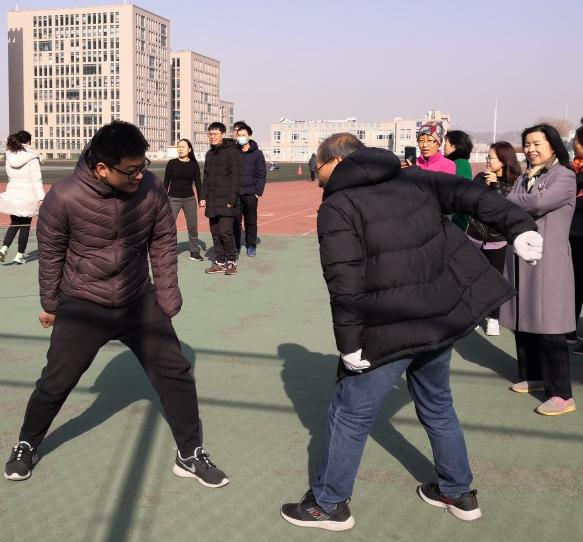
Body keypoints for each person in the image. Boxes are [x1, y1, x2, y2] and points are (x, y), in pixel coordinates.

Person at [280, 133, 542, 531]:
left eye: (318, 170)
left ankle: (329, 504)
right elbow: (472, 196)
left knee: (349, 414)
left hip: (388, 331)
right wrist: (519, 226)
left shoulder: (339, 204)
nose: (318, 179)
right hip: (438, 317)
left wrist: (349, 344)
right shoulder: (413, 177)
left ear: (337, 160)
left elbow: (343, 280)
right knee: (437, 404)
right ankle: (458, 491)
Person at [4, 121, 229, 488]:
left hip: (137, 299)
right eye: (131, 170)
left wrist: (166, 297)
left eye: (143, 166)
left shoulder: (150, 189)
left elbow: (162, 240)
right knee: (56, 380)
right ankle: (27, 443)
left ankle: (189, 453)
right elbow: (51, 255)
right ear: (102, 168)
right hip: (83, 301)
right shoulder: (64, 196)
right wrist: (51, 304)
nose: (140, 175)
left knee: (175, 372)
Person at [500, 124, 577, 416]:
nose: (530, 149)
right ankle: (533, 375)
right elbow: (524, 203)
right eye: (527, 144)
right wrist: (517, 199)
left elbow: (539, 202)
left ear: (553, 145)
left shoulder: (564, 175)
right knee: (524, 318)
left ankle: (562, 394)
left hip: (549, 258)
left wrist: (511, 198)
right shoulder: (525, 176)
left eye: (536, 143)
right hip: (522, 255)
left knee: (550, 325)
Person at [466, 142, 522, 336]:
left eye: (491, 157)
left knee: (496, 280)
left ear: (504, 161)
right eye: (487, 157)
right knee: (474, 277)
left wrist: (496, 186)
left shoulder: (515, 182)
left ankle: (494, 318)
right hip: (474, 235)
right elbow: (471, 202)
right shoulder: (480, 178)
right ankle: (475, 315)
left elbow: (507, 208)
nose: (488, 161)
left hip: (497, 240)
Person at [201, 122, 240, 275]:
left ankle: (231, 261)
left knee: (225, 232)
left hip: (226, 200)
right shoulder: (209, 154)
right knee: (215, 233)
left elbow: (235, 178)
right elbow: (206, 177)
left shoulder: (232, 152)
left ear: (223, 135)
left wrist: (232, 199)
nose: (212, 137)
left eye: (215, 134)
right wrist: (203, 196)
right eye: (210, 134)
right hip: (212, 200)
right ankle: (220, 262)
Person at [0, 130, 44, 264]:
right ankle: (19, 255)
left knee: (14, 223)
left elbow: (9, 174)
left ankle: (4, 248)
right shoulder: (32, 157)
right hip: (28, 195)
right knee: (25, 225)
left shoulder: (10, 155)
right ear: (29, 141)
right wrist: (42, 197)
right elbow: (36, 180)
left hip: (13, 193)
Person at [163, 139, 204, 261]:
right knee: (169, 226)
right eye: (179, 147)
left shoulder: (194, 164)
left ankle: (194, 251)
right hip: (173, 198)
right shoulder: (171, 163)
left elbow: (198, 183)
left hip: (189, 199)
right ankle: (168, 251)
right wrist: (163, 198)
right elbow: (166, 182)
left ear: (189, 149)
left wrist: (201, 198)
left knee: (192, 227)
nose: (180, 149)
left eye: (183, 147)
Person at [234, 122, 266, 257]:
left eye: (243, 135)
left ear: (249, 136)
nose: (241, 137)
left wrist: (257, 192)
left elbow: (261, 174)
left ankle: (251, 245)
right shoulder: (233, 152)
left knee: (251, 221)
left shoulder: (257, 154)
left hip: (251, 194)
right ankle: (235, 246)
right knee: (235, 221)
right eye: (239, 135)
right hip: (235, 194)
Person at [568, 120, 583, 354]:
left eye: (576, 140)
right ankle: (569, 330)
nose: (573, 142)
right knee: (574, 284)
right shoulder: (574, 167)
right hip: (573, 232)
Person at [445, 130, 474, 230]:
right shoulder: (459, 162)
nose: (444, 147)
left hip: (455, 220)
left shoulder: (459, 163)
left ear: (454, 146)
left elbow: (459, 195)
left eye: (446, 143)